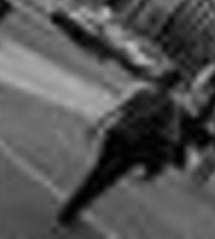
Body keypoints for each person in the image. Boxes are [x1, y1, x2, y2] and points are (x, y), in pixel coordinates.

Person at [56, 69, 186, 226]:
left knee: (97, 174)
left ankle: (70, 210)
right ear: (175, 87)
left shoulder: (145, 92)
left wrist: (99, 124)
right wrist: (155, 167)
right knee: (104, 180)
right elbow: (169, 137)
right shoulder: (171, 107)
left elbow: (120, 108)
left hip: (117, 135)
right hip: (133, 145)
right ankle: (71, 211)